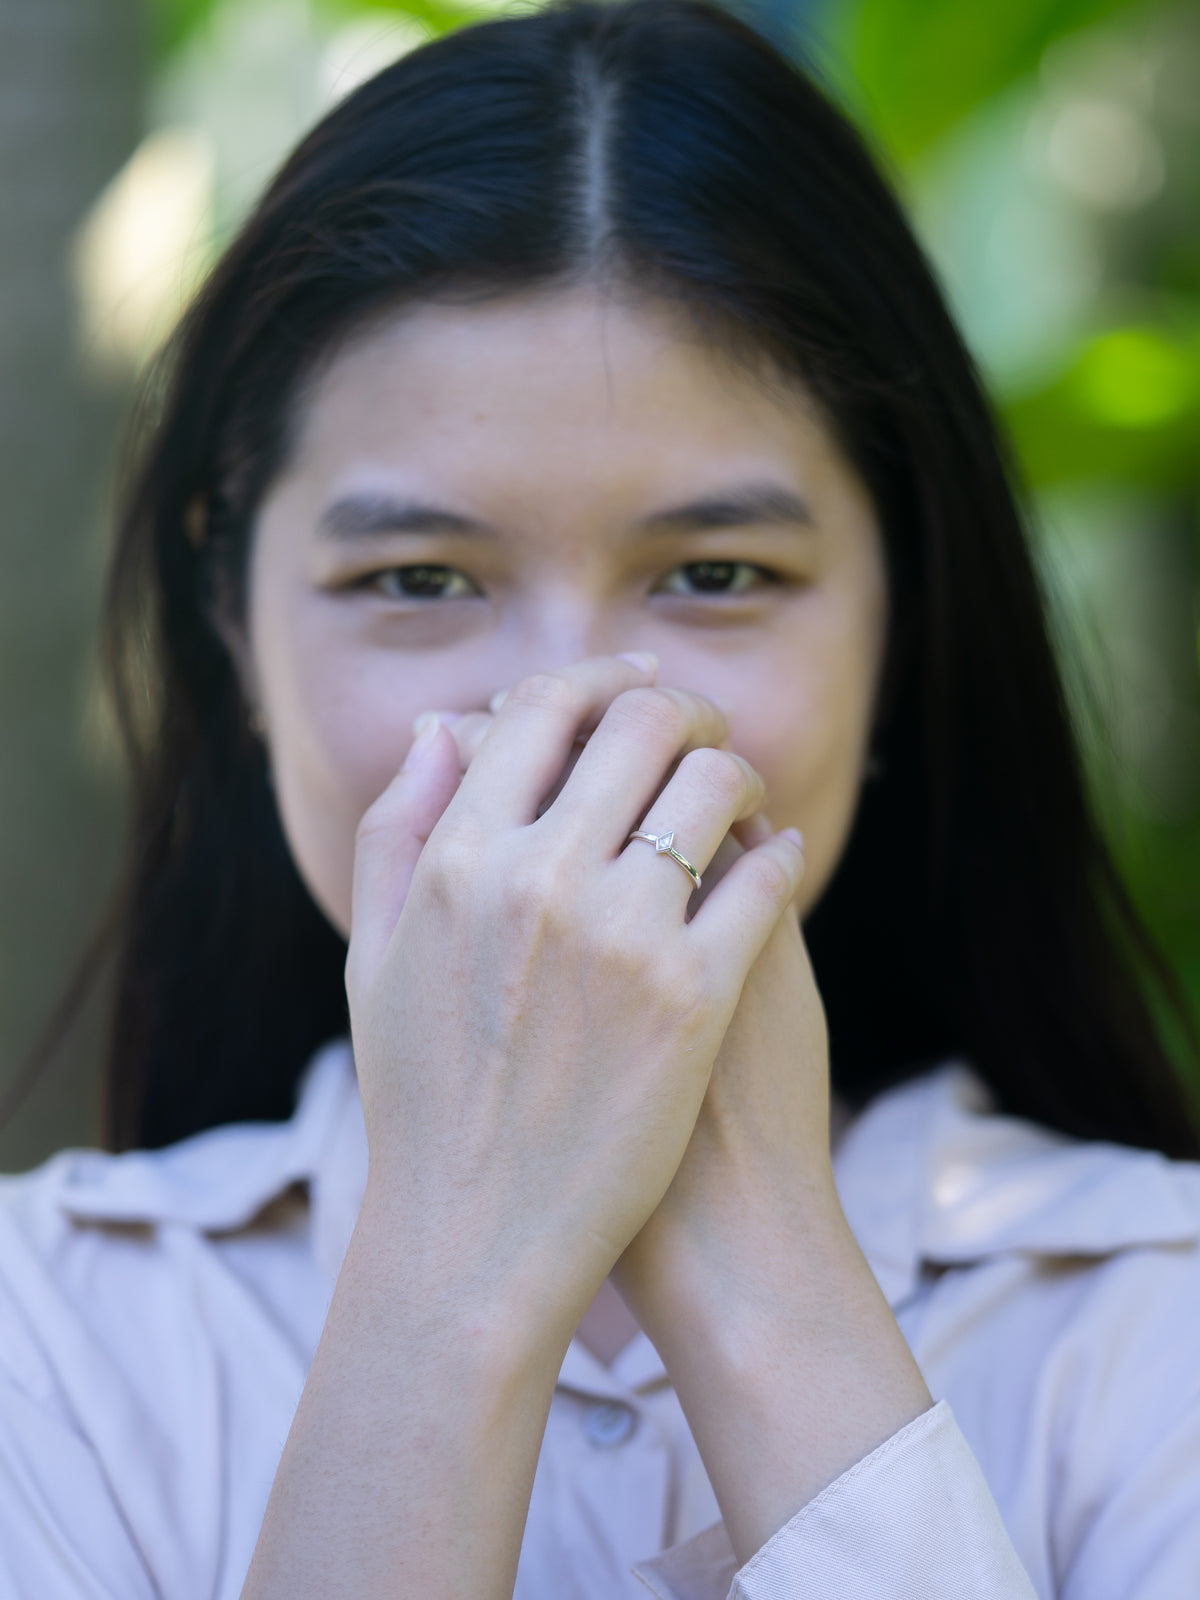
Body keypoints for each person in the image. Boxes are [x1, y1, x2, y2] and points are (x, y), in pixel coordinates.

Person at [2, 0, 1199, 1594]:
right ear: (232, 615)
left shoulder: (1154, 1325)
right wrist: (455, 1280)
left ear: (903, 616)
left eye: (716, 573)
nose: (564, 725)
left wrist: (771, 1286)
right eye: (418, 575)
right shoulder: (51, 1339)